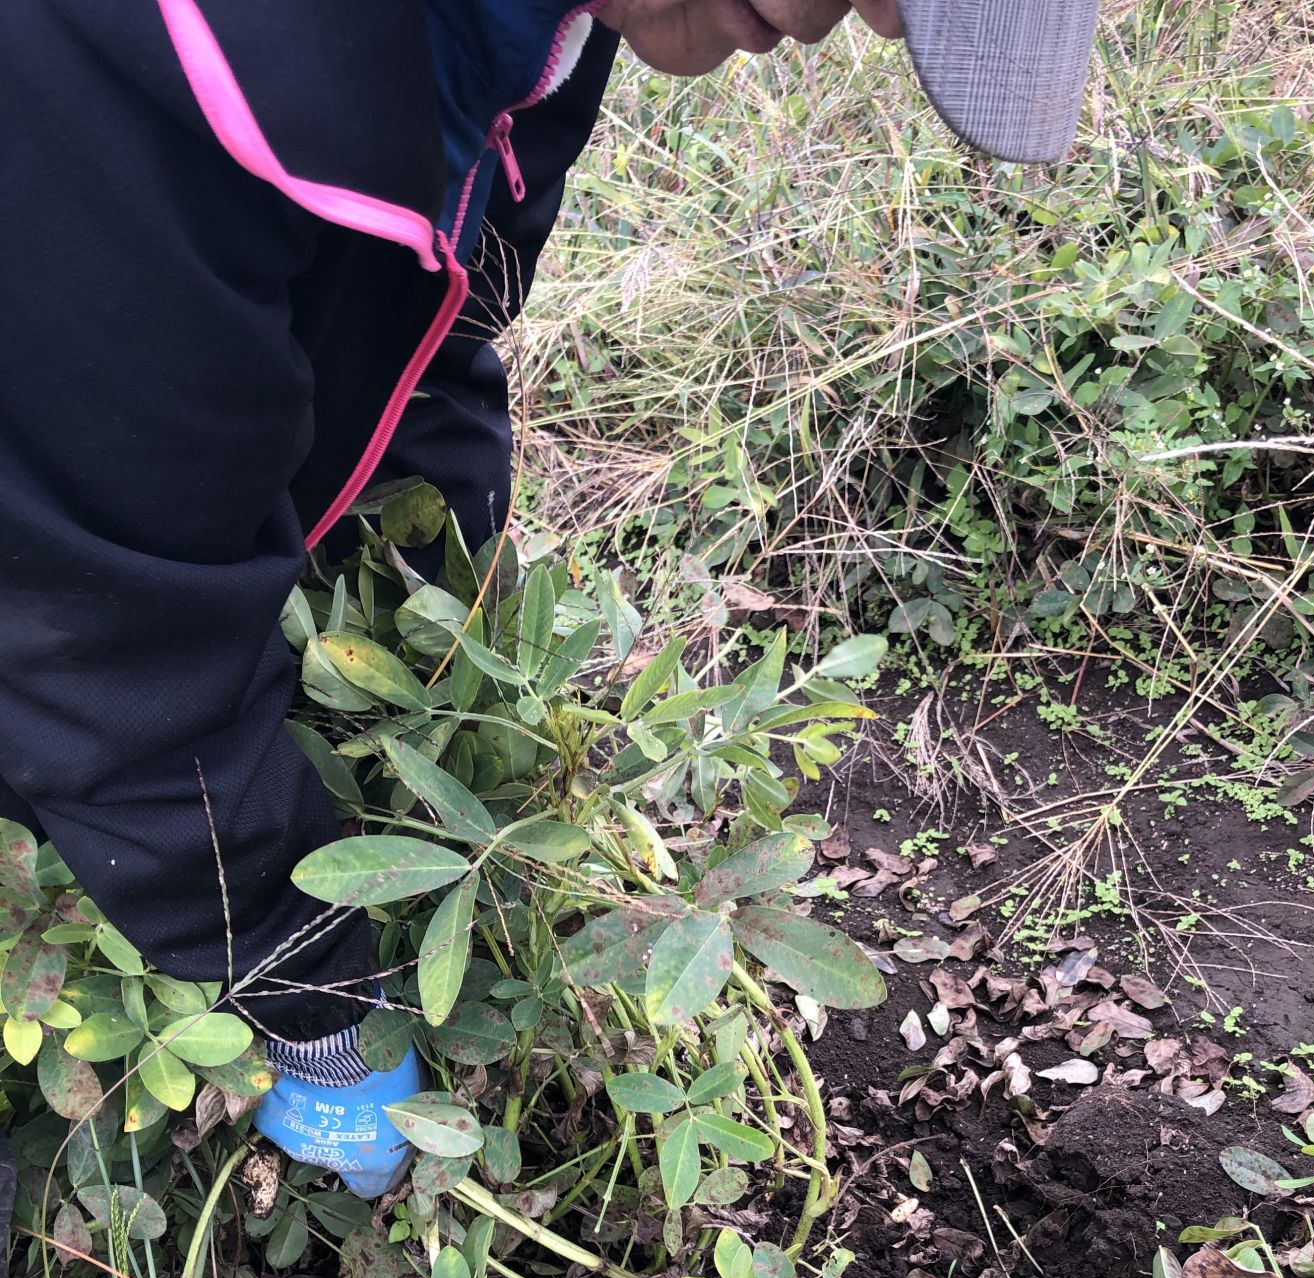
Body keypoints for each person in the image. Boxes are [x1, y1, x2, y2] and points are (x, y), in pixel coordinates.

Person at [1, 0, 1100, 1203]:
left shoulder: (536, 32)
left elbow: (424, 332)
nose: (838, 19)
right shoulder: (112, 80)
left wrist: (448, 620)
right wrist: (312, 998)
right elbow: (99, 640)